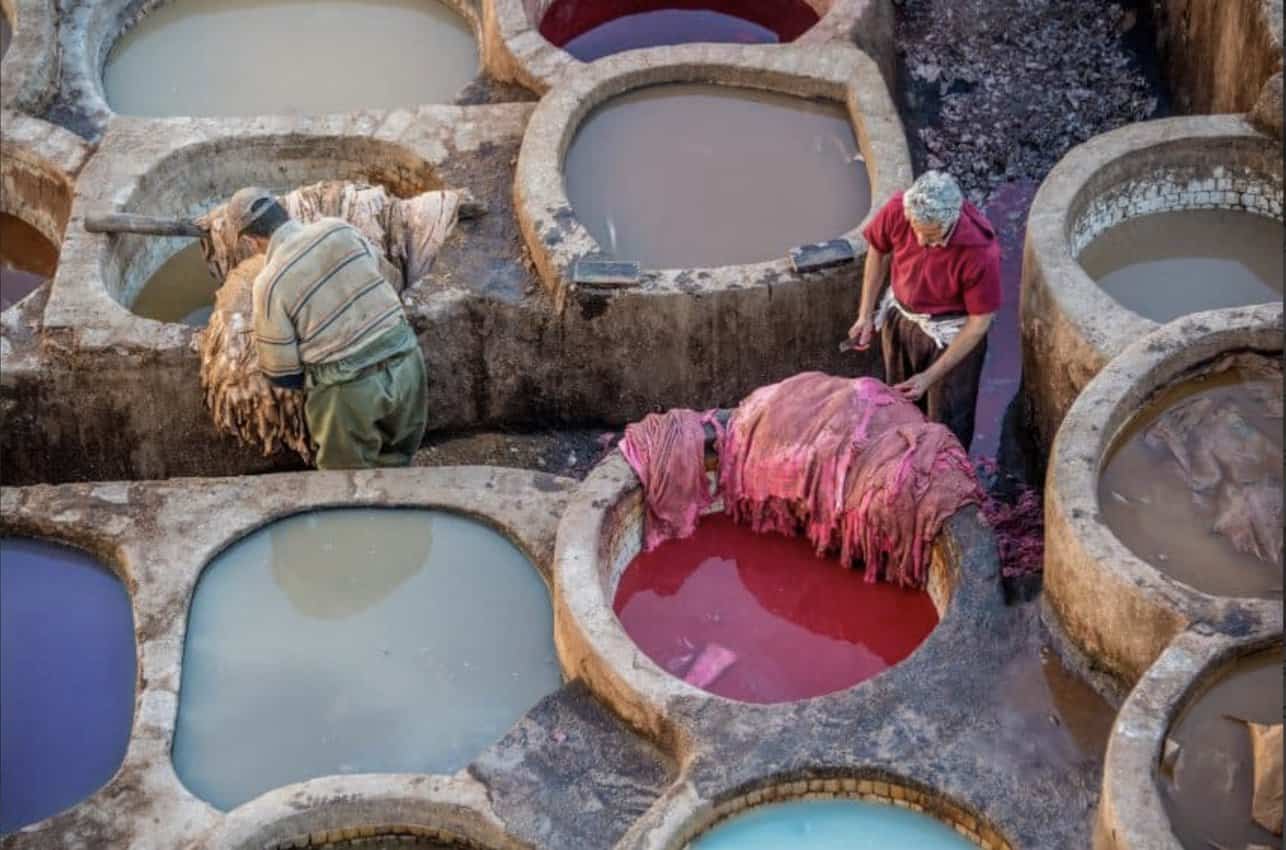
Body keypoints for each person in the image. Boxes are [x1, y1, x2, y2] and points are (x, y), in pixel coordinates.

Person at [226, 186, 428, 469]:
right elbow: (390, 279)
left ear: (251, 241)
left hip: (348, 392)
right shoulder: (339, 230)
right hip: (407, 363)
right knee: (397, 465)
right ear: (283, 212)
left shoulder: (269, 283)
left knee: (346, 487)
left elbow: (281, 373)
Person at [847, 171, 1001, 451]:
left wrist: (930, 376)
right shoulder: (898, 209)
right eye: (916, 230)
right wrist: (865, 314)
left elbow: (979, 323)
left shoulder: (980, 251)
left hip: (951, 336)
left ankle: (947, 478)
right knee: (899, 403)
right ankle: (901, 466)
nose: (920, 242)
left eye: (932, 238)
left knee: (946, 422)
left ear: (952, 220)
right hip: (904, 320)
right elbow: (878, 250)